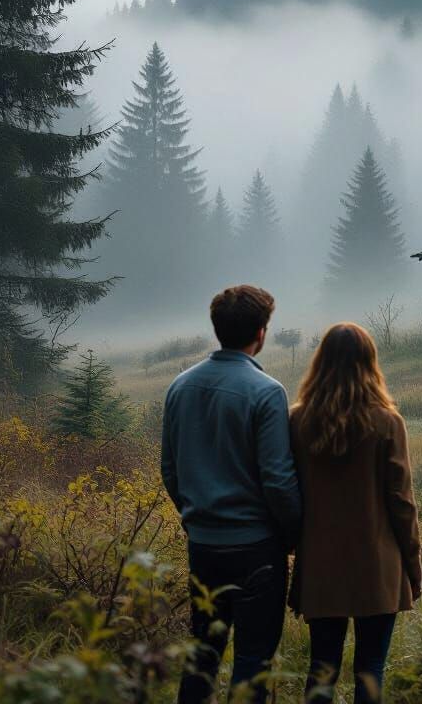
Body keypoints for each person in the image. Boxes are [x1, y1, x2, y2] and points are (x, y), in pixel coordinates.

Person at [161, 285, 301, 704]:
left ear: (217, 328)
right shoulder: (267, 392)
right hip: (257, 550)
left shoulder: (179, 387)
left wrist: (193, 517)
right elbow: (277, 480)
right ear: (261, 332)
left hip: (203, 546)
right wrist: (294, 536)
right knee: (253, 662)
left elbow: (169, 468)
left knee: (201, 655)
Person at [290, 322, 422, 703]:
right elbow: (402, 502)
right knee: (370, 670)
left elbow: (286, 492)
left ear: (320, 363)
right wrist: (414, 566)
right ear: (370, 363)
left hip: (320, 566)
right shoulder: (387, 422)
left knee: (321, 668)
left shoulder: (297, 421)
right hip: (377, 567)